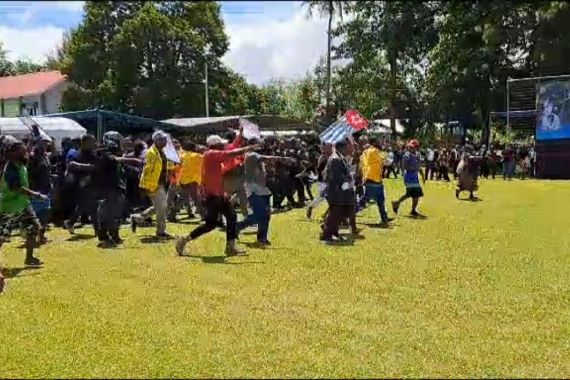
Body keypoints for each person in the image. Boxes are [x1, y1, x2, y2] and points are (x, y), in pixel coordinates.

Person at [175, 135, 259, 257]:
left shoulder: (211, 155)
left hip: (215, 195)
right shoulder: (211, 154)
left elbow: (216, 175)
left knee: (225, 218)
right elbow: (231, 153)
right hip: (213, 196)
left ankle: (229, 247)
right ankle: (185, 240)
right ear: (215, 145)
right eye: (221, 144)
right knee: (218, 221)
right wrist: (248, 148)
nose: (223, 146)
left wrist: (223, 192)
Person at [237, 139, 295, 246]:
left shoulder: (254, 157)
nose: (261, 145)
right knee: (259, 215)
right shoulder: (252, 155)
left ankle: (262, 238)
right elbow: (267, 158)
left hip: (261, 189)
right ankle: (237, 227)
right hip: (254, 189)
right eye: (258, 143)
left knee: (266, 215)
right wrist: (283, 158)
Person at [0, 137, 46, 267]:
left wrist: (33, 141)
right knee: (2, 236)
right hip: (9, 207)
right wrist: (35, 194)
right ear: (13, 153)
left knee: (33, 228)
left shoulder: (20, 163)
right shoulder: (10, 168)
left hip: (24, 205)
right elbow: (16, 187)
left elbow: (29, 152)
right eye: (22, 150)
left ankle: (29, 258)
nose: (25, 151)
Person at [131, 131, 171, 239]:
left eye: (165, 139)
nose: (165, 141)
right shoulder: (151, 153)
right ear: (156, 140)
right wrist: (145, 186)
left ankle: (137, 218)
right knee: (161, 208)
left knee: (161, 207)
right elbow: (147, 171)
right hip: (153, 184)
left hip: (160, 183)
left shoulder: (161, 151)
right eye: (163, 139)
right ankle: (160, 232)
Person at [320, 139, 359, 244]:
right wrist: (345, 182)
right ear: (341, 148)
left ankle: (332, 231)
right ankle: (326, 234)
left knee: (340, 213)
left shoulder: (339, 158)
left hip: (339, 190)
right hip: (336, 190)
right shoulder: (335, 159)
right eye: (346, 147)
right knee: (336, 214)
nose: (348, 149)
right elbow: (335, 176)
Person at [356, 137, 391, 227]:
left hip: (370, 178)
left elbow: (361, 165)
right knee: (366, 200)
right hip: (374, 179)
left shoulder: (365, 152)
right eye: (379, 141)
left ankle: (384, 218)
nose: (381, 143)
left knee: (376, 200)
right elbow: (387, 162)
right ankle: (348, 214)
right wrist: (388, 157)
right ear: (375, 142)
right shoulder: (374, 151)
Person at [28, 135, 54, 245]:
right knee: (36, 216)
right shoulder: (32, 157)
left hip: (46, 188)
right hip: (37, 189)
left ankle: (41, 236)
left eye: (46, 143)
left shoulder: (45, 156)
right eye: (43, 142)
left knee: (45, 215)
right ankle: (33, 237)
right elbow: (29, 174)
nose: (45, 145)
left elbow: (47, 170)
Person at [391, 139, 425, 216]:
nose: (411, 148)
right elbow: (405, 166)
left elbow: (419, 166)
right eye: (410, 147)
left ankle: (409, 208)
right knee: (411, 194)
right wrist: (413, 167)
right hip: (409, 178)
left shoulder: (417, 155)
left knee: (414, 195)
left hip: (415, 178)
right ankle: (397, 203)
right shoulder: (407, 155)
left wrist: (422, 175)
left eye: (414, 147)